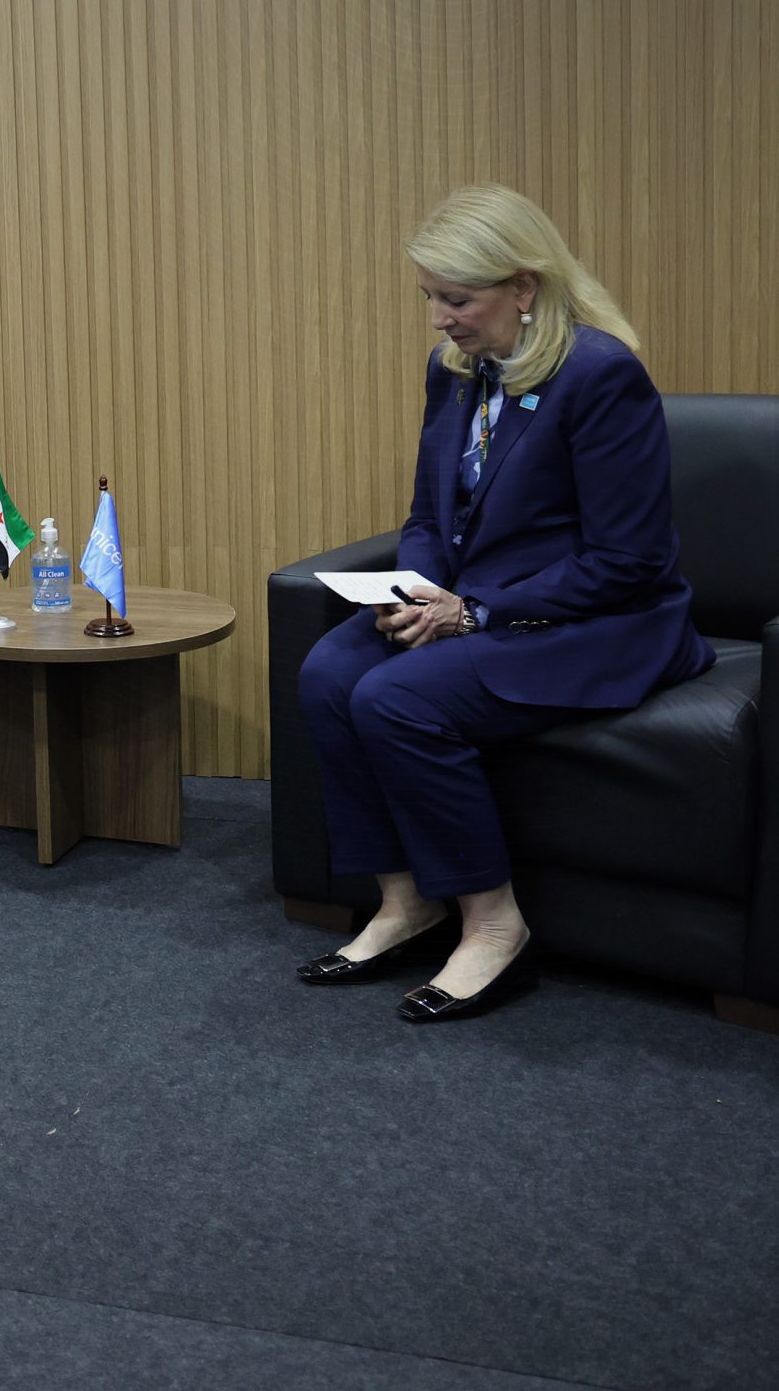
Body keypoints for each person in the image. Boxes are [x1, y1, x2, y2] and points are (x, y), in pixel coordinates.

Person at [296, 185, 713, 1021]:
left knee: (396, 696)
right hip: (475, 604)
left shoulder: (600, 375)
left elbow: (627, 561)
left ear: (524, 286)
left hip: (599, 622)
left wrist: (473, 612)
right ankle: (407, 901)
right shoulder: (455, 370)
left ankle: (495, 925)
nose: (439, 319)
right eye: (429, 297)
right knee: (329, 671)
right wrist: (416, 591)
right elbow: (427, 514)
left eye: (457, 299)